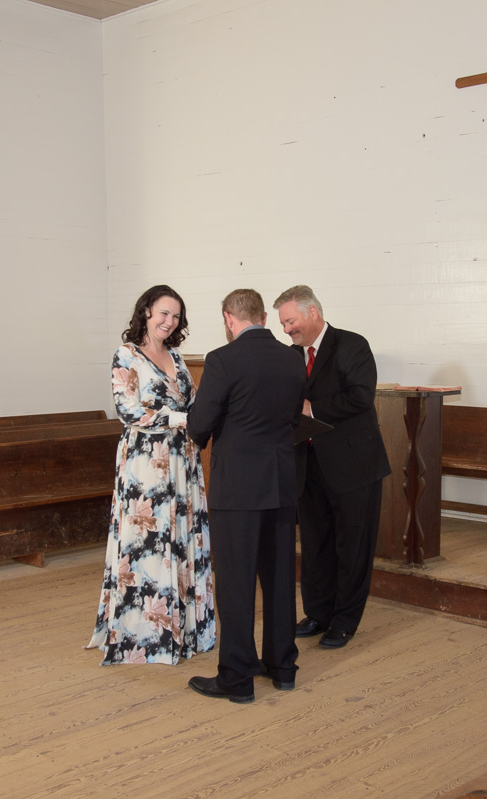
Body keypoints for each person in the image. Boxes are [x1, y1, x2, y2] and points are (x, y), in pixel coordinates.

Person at [186, 289, 307, 704]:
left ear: (229, 319)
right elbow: (293, 418)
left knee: (236, 585)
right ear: (263, 318)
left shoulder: (222, 359)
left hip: (237, 488)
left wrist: (204, 426)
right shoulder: (292, 357)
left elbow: (200, 424)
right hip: (280, 483)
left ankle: (237, 678)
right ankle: (282, 667)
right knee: (278, 580)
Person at [86, 285, 215, 665]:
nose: (169, 321)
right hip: (146, 463)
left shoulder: (175, 355)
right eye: (163, 313)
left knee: (180, 536)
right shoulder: (126, 355)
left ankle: (186, 631)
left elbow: (193, 403)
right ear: (146, 312)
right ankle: (145, 635)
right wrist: (183, 419)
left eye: (175, 316)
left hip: (182, 460)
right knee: (149, 542)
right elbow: (128, 411)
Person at [273, 285, 391, 649]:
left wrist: (312, 408)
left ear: (312, 313)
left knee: (352, 545)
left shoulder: (352, 344)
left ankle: (345, 621)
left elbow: (361, 395)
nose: (286, 329)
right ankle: (319, 613)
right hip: (308, 465)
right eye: (282, 323)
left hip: (354, 465)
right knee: (314, 544)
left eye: (290, 321)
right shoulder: (292, 356)